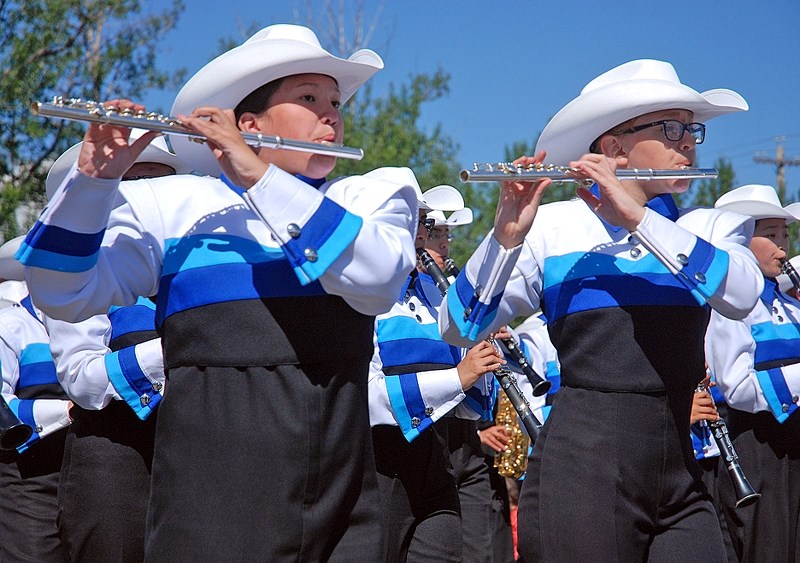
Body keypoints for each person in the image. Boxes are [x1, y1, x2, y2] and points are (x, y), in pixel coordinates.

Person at [18, 24, 418, 561]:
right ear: (248, 124)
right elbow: (61, 293)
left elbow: (380, 277)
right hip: (213, 499)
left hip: (344, 496)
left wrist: (259, 176)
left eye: (334, 102)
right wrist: (92, 180)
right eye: (308, 99)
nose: (331, 115)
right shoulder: (175, 205)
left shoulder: (370, 196)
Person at [439, 59, 762, 562]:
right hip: (585, 463)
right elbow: (460, 327)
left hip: (682, 463)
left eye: (691, 129)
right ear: (613, 147)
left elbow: (741, 295)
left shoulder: (708, 228)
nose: (688, 142)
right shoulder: (552, 228)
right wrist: (504, 236)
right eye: (671, 128)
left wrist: (637, 218)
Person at [42, 135, 186, 562]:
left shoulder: (199, 267)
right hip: (116, 460)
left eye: (161, 184)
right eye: (135, 182)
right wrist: (187, 346)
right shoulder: (79, 272)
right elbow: (82, 380)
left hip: (199, 453)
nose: (150, 197)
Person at [369, 178, 500, 562]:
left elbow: (466, 408)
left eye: (425, 225)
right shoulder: (362, 299)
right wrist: (458, 376)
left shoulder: (434, 298)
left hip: (436, 460)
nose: (426, 235)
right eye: (420, 223)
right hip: (379, 468)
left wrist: (483, 362)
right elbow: (368, 395)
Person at [706, 184, 800, 562]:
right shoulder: (730, 305)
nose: (782, 246)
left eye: (786, 234)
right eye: (770, 234)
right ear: (740, 241)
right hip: (756, 443)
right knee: (767, 549)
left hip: (792, 440)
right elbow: (738, 385)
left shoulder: (787, 303)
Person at [0, 237, 71, 562]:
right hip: (28, 480)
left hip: (83, 476)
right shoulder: (11, 326)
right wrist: (65, 410)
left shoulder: (93, 324)